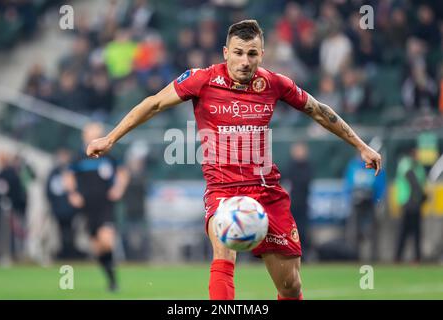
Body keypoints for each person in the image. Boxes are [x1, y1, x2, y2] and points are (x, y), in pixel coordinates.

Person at [85, 20, 382, 300]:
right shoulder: (202, 80)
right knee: (223, 253)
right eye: (238, 53)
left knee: (291, 286)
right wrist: (110, 138)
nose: (245, 61)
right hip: (223, 190)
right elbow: (153, 104)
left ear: (261, 55)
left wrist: (361, 146)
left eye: (252, 54)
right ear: (226, 53)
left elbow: (318, 110)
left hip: (266, 191)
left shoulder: (274, 83)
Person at [65, 123, 130, 292]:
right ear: (84, 137)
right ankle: (112, 280)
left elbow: (123, 172)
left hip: (105, 205)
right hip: (88, 207)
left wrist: (119, 188)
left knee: (107, 241)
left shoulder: (109, 156)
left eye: (97, 135)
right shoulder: (78, 157)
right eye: (91, 135)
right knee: (97, 248)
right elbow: (69, 175)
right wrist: (73, 194)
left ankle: (113, 279)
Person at [344, 152, 386, 262]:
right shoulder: (353, 165)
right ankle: (355, 256)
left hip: (371, 202)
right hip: (356, 202)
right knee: (355, 231)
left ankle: (373, 256)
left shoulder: (372, 165)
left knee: (372, 231)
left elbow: (380, 183)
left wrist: (378, 200)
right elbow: (348, 184)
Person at [394, 147, 427, 263]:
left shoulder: (419, 167)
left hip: (416, 203)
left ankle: (416, 258)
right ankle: (397, 258)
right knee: (403, 232)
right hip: (407, 202)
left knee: (416, 232)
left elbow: (421, 184)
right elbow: (413, 182)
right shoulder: (406, 164)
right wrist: (423, 196)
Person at [285, 142, 313, 261]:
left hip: (303, 204)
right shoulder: (289, 167)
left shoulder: (308, 167)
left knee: (303, 230)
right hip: (291, 205)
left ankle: (305, 254)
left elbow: (305, 183)